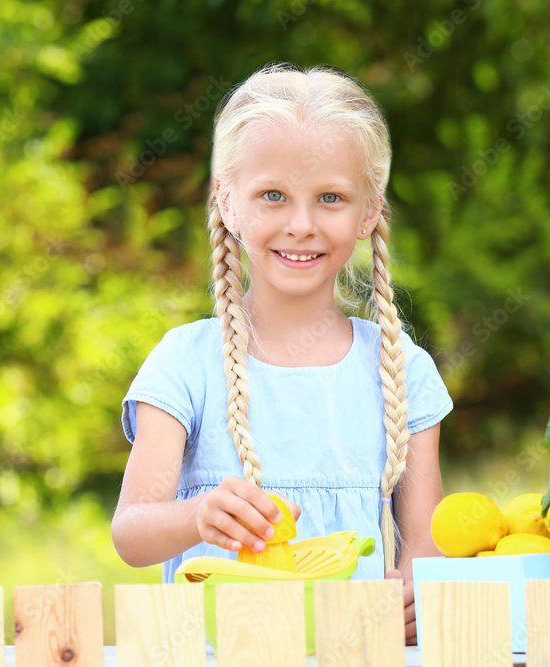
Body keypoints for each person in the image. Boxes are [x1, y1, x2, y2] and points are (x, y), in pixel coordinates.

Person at [111, 62, 453, 644]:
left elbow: (425, 542)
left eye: (330, 198)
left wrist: (418, 593)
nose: (301, 224)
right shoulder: (185, 362)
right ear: (227, 201)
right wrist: (198, 516)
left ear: (369, 211)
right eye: (272, 195)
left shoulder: (401, 368)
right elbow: (131, 532)